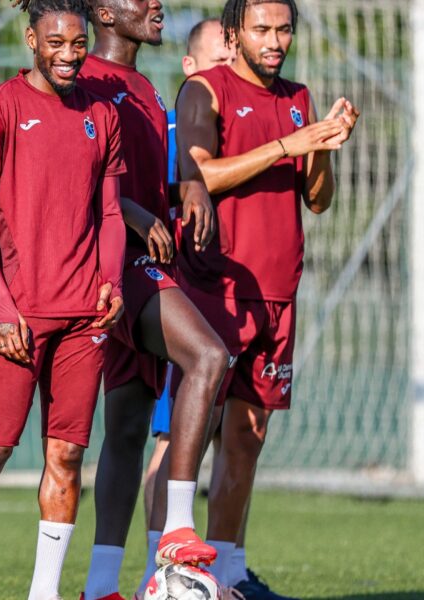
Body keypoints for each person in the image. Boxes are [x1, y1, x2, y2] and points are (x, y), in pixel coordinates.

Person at [0, 1, 126, 598]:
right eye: (55, 42)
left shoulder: (102, 113)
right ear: (31, 41)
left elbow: (110, 212)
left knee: (66, 456)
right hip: (16, 315)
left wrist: (112, 280)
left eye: (78, 43)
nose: (68, 54)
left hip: (84, 317)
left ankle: (45, 592)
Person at [174, 0, 358, 596]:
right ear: (234, 34)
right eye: (262, 29)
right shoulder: (206, 88)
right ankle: (168, 568)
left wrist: (322, 144)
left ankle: (228, 573)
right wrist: (287, 144)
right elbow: (199, 175)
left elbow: (318, 200)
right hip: (218, 289)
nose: (275, 40)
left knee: (247, 437)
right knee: (187, 437)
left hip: (279, 292)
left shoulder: (298, 97)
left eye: (284, 29)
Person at [75, 2, 231, 599]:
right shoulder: (83, 79)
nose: (155, 4)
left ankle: (99, 588)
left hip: (145, 262)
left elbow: (139, 175)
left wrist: (185, 186)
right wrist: (136, 217)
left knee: (127, 427)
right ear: (105, 12)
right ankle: (180, 530)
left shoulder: (144, 87)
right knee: (208, 358)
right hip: (113, 263)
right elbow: (76, 175)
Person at [141, 13, 235, 555]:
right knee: (170, 442)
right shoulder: (174, 128)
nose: (229, 70)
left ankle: (219, 564)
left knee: (220, 436)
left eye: (233, 61)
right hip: (179, 299)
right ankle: (157, 569)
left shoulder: (240, 123)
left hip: (227, 297)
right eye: (219, 61)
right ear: (190, 66)